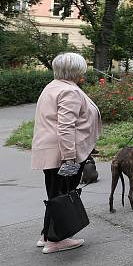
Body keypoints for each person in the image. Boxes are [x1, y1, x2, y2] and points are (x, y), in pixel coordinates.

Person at [31, 52, 102, 254]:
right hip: (63, 153)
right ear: (75, 71)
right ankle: (56, 240)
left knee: (56, 195)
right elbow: (65, 127)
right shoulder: (69, 91)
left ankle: (47, 235)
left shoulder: (53, 86)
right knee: (63, 195)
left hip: (50, 152)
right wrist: (69, 157)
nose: (84, 73)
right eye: (82, 70)